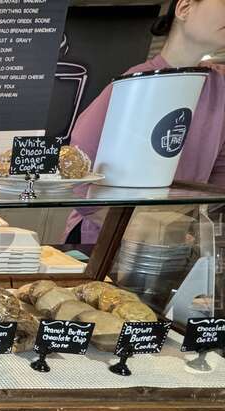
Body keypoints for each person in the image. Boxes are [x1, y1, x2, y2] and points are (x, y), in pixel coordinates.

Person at [64, 0, 225, 243]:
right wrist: (134, 231)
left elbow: (219, 175)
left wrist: (191, 229)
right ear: (184, 8)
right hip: (106, 238)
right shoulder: (135, 83)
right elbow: (76, 167)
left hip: (175, 240)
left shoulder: (219, 87)